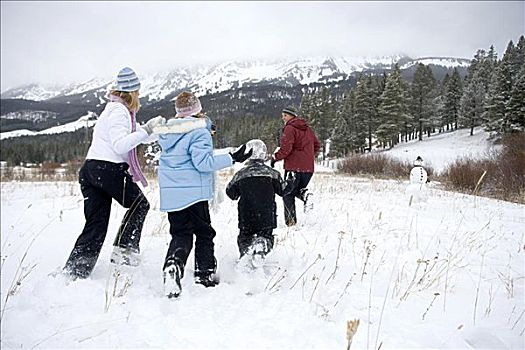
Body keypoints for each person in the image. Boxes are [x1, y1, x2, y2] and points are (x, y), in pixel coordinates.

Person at [63, 67, 165, 279]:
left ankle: (76, 270)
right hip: (108, 169)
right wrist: (146, 129)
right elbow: (121, 145)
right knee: (140, 204)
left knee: (96, 223)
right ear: (132, 92)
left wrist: (156, 131)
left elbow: (138, 136)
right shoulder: (119, 112)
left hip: (92, 169)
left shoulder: (115, 110)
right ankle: (124, 252)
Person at [155, 91, 252, 298]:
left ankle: (173, 265)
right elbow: (203, 163)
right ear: (197, 110)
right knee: (204, 233)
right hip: (194, 194)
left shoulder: (168, 132)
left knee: (180, 234)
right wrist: (232, 158)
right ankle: (204, 274)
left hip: (172, 195)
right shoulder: (199, 132)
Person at [226, 139, 285, 262]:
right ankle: (262, 246)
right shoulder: (273, 174)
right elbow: (283, 190)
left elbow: (231, 193)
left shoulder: (240, 174)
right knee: (267, 235)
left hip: (246, 215)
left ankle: (246, 256)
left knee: (245, 237)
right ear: (264, 154)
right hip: (267, 215)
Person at [271, 107, 320, 226]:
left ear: (292, 116)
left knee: (287, 194)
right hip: (308, 168)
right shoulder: (307, 129)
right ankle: (306, 195)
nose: (283, 118)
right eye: (282, 115)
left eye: (285, 115)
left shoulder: (289, 128)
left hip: (293, 167)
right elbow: (317, 145)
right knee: (296, 190)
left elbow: (286, 148)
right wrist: (307, 156)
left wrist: (275, 157)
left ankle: (291, 223)